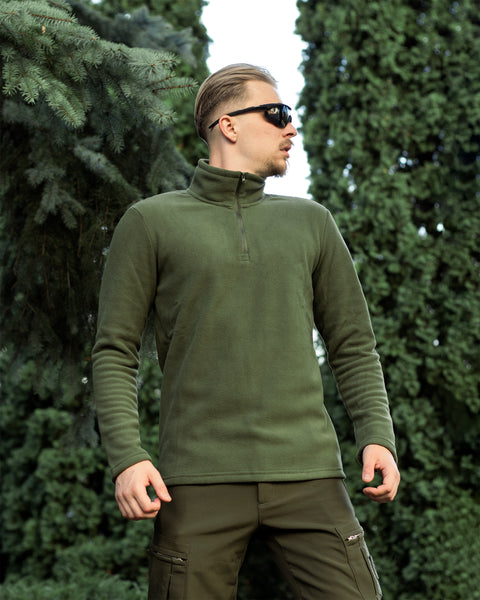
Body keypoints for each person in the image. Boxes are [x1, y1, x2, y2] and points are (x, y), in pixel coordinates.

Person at [92, 63, 400, 600]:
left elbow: (352, 345)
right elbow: (114, 351)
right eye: (277, 113)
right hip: (195, 481)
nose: (291, 128)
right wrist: (127, 457)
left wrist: (377, 434)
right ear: (228, 125)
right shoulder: (150, 222)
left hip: (308, 473)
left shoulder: (312, 222)